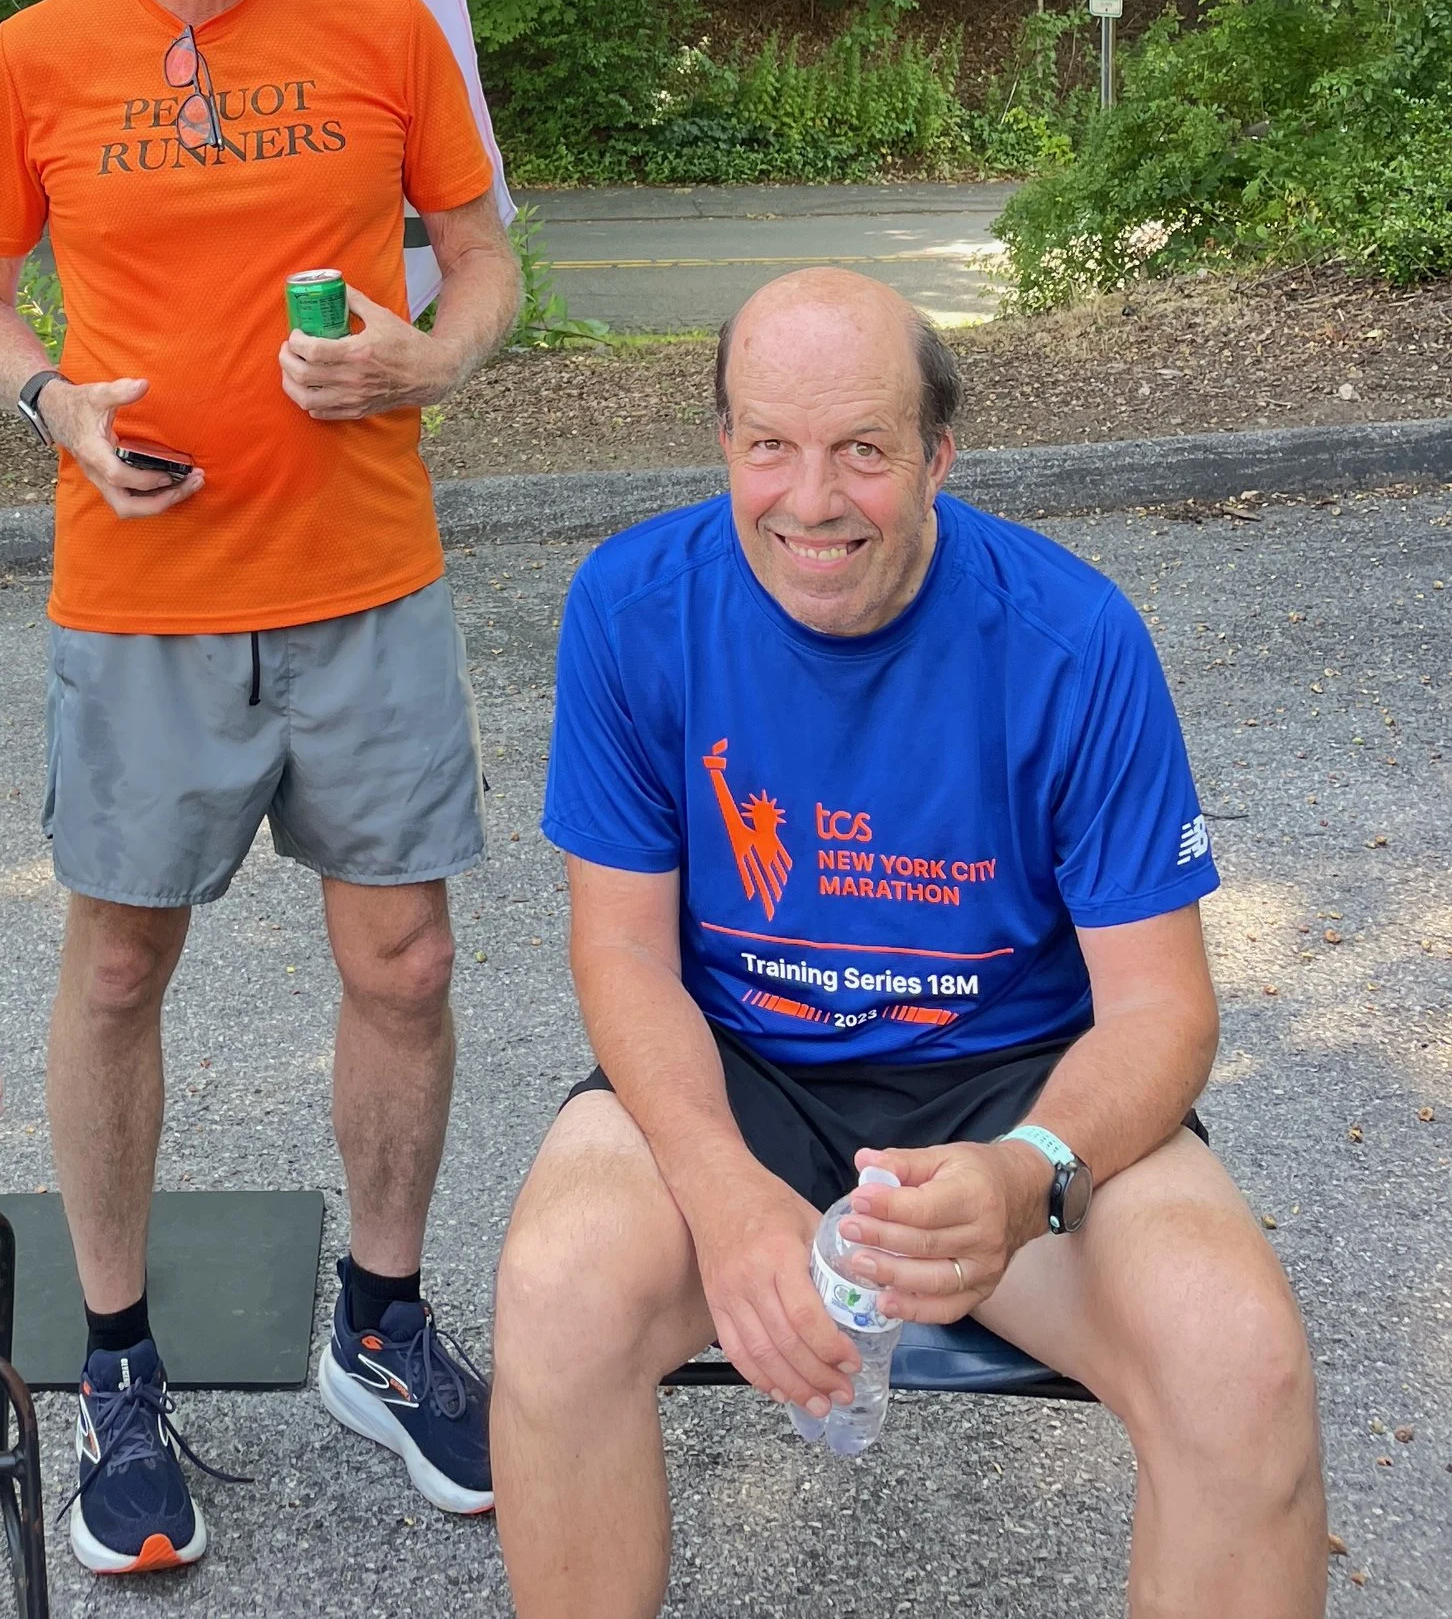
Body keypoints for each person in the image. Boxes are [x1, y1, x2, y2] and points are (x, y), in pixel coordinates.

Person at [491, 266, 1328, 1619]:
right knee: (553, 1293)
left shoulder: (1074, 639)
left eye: (862, 452)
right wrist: (720, 1187)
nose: (810, 501)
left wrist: (1029, 1172)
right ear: (722, 440)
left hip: (1013, 1081)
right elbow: (626, 956)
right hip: (743, 1070)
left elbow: (1164, 1012)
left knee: (1241, 1364)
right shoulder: (632, 606)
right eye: (768, 444)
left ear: (940, 454)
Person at [0, 0, 521, 1572]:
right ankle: (118, 1361)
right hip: (145, 594)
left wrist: (432, 354)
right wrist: (57, 407)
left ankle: (381, 1318)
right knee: (113, 978)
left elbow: (486, 252)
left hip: (366, 576)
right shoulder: (38, 56)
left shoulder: (379, 28)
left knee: (407, 961)